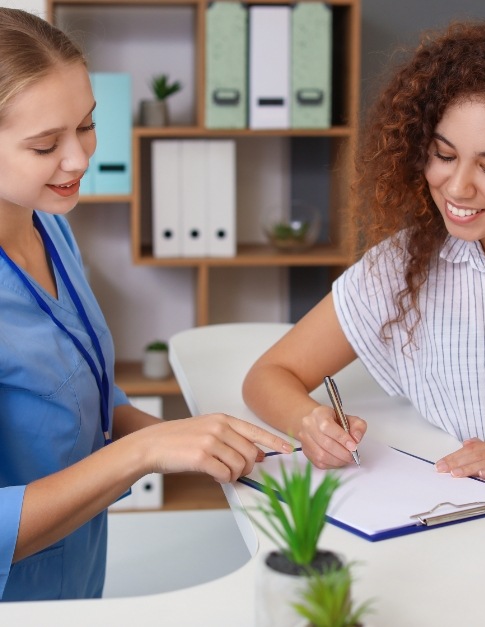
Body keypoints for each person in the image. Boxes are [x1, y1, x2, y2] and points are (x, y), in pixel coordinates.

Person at [0, 8, 292, 602]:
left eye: (86, 125)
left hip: (77, 576)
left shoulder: (49, 228)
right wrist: (145, 453)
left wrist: (186, 439)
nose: (80, 159)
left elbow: (83, 385)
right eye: (44, 144)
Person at [243, 20, 485, 493]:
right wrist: (311, 422)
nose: (457, 187)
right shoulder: (407, 264)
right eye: (444, 155)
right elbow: (268, 375)